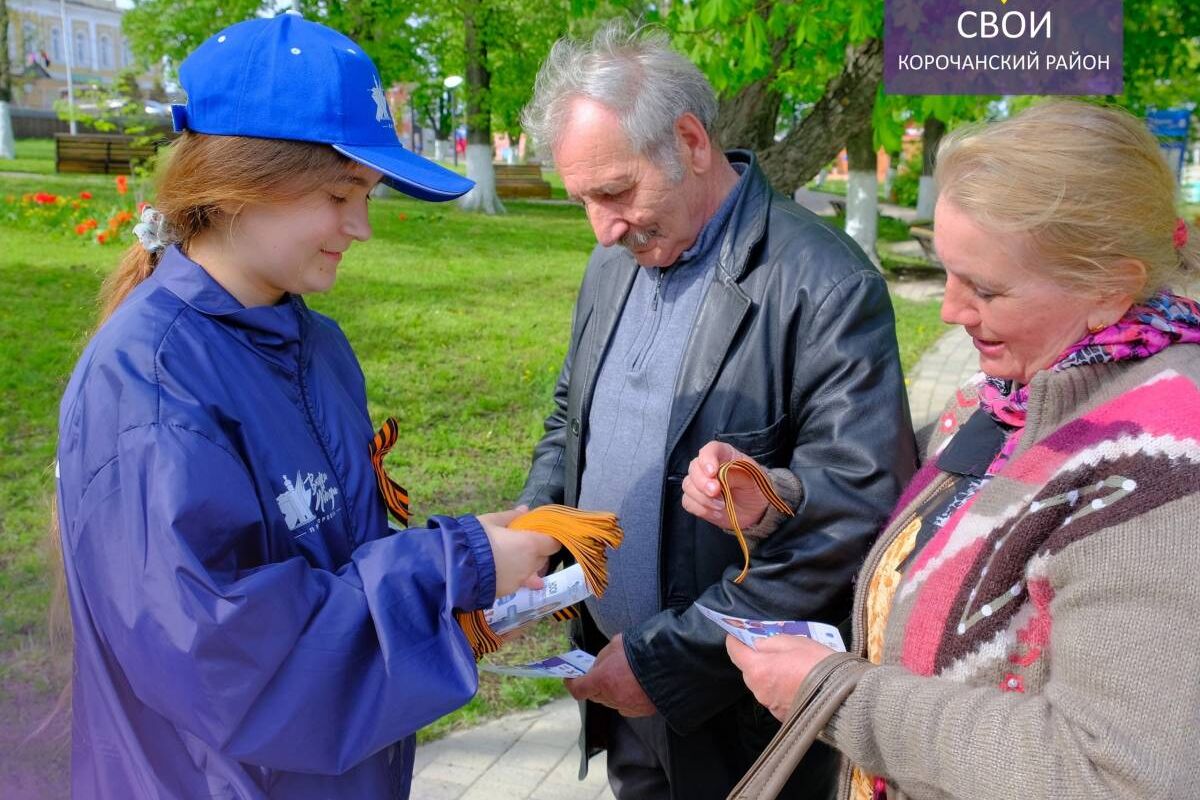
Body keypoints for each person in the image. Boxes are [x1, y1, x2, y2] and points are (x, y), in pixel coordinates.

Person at [53, 14, 559, 799]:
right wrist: (452, 567)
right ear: (239, 185)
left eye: (367, 195)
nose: (359, 227)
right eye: (338, 194)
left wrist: (472, 571)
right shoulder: (151, 383)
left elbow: (331, 560)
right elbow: (226, 658)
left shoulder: (313, 347)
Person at [686, 100, 1200, 800]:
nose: (950, 310)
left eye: (985, 288)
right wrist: (776, 502)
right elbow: (934, 525)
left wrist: (835, 697)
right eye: (947, 268)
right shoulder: (1017, 391)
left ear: (1109, 289)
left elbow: (1115, 774)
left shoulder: (1167, 470)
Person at [517, 22, 917, 800]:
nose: (603, 228)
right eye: (585, 202)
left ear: (691, 141)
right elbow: (573, 417)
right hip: (621, 678)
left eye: (615, 192)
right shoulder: (613, 261)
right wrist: (538, 528)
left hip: (742, 718)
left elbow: (850, 517)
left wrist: (672, 659)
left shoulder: (825, 285)